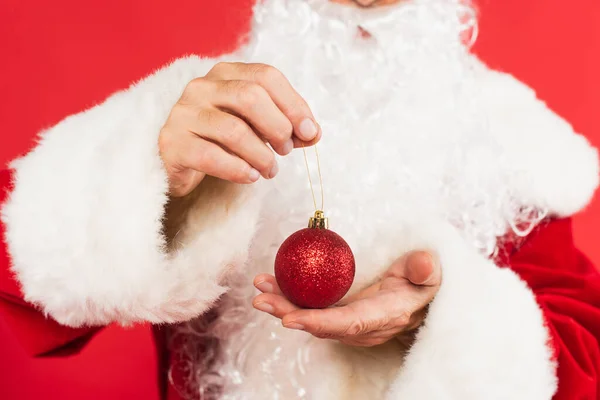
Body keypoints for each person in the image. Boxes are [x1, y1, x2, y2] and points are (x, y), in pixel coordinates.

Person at [1, 0, 599, 398]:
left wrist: (442, 321)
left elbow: (581, 353)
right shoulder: (203, 112)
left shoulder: (516, 141)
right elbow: (23, 274)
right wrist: (154, 177)